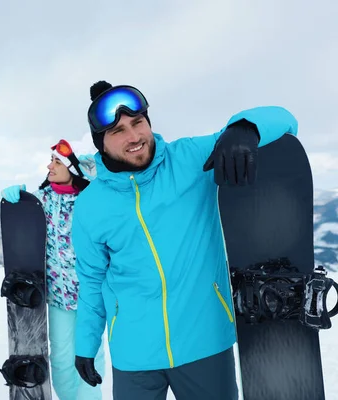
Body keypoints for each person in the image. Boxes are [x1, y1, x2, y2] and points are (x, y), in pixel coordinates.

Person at [72, 81, 298, 400]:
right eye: (118, 131)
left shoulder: (190, 159)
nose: (134, 137)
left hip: (204, 341)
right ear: (101, 143)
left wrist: (245, 128)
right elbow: (92, 281)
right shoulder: (90, 205)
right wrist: (85, 345)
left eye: (138, 123)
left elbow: (285, 118)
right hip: (133, 353)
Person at [1, 139, 106, 400]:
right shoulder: (43, 201)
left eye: (57, 161)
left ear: (74, 168)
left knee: (91, 353)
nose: (49, 165)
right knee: (60, 356)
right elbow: (23, 224)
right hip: (58, 296)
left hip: (91, 294)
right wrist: (16, 199)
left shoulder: (94, 200)